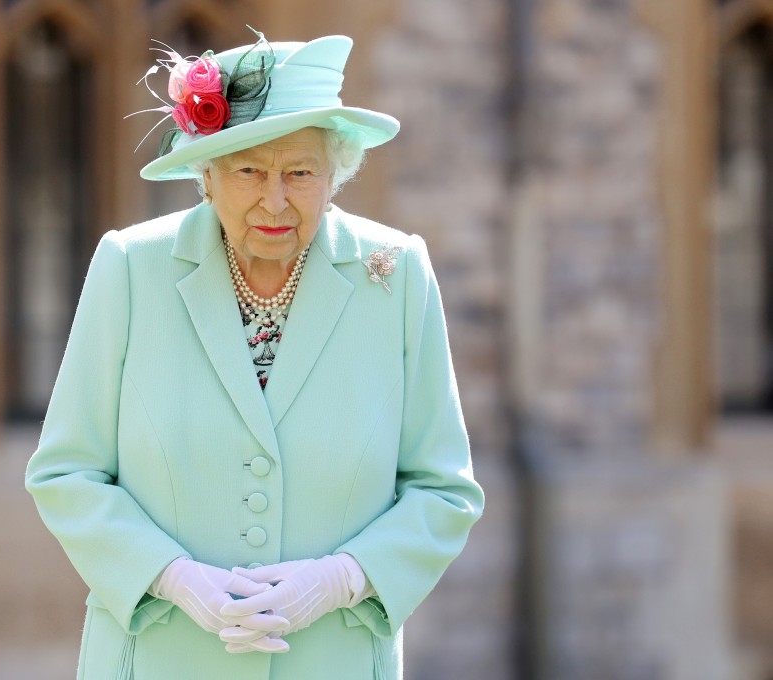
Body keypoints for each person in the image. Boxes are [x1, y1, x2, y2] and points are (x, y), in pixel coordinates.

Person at [25, 28, 484, 680]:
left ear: (336, 174)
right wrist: (172, 578)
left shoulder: (396, 275)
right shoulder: (130, 269)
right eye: (248, 170)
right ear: (206, 176)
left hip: (335, 663)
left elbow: (443, 490)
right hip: (160, 661)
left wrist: (341, 580)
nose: (275, 200)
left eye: (300, 172)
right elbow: (66, 473)